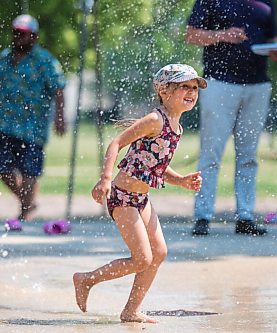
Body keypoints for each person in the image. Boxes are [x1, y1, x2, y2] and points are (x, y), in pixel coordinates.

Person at [72, 64, 205, 323]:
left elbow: (156, 165)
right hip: (122, 196)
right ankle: (86, 279)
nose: (191, 92)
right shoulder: (156, 120)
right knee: (142, 258)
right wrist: (105, 179)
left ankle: (131, 310)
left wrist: (182, 181)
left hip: (141, 199)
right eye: (184, 87)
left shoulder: (176, 126)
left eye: (194, 88)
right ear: (165, 91)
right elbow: (116, 143)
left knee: (159, 253)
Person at [185, 0, 277, 236]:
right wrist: (223, 35)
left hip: (258, 84)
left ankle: (245, 217)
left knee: (249, 155)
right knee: (211, 153)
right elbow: (191, 35)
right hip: (219, 83)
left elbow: (271, 40)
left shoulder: (266, 3)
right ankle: (202, 216)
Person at [0, 14, 66, 225]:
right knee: (2, 168)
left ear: (33, 37)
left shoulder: (45, 60)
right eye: (15, 33)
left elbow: (59, 90)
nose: (17, 37)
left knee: (29, 172)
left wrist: (60, 118)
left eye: (23, 34)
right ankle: (28, 203)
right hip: (5, 124)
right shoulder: (4, 58)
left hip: (33, 127)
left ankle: (26, 211)